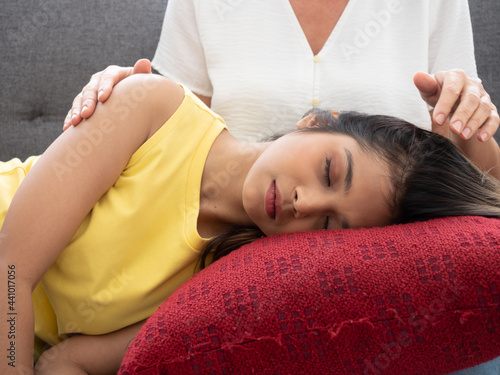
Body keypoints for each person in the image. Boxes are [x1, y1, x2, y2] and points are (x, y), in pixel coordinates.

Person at [1, 74, 500, 373]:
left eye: (330, 226)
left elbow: (67, 361)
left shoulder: (233, 286)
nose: (305, 204)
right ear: (318, 119)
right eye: (331, 170)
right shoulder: (153, 108)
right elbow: (10, 271)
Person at [65, 0, 499, 144]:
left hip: (390, 279)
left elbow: (481, 189)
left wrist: (472, 122)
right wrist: (124, 101)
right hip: (227, 267)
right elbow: (175, 147)